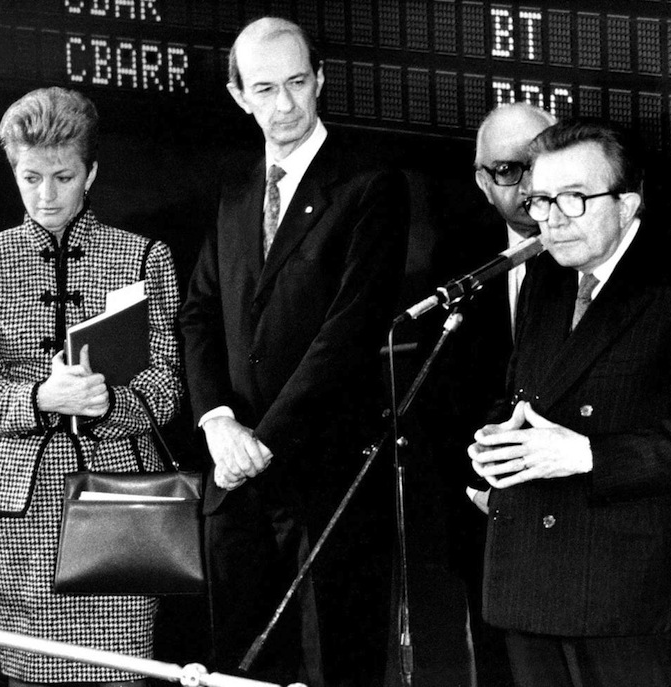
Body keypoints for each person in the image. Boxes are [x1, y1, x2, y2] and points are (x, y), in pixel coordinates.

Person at [467, 118, 671, 687]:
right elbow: (525, 393)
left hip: (621, 591)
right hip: (527, 575)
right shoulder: (545, 274)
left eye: (574, 198)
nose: (553, 219)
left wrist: (588, 455)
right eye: (541, 200)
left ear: (627, 204)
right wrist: (493, 442)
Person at [178, 17, 408, 687]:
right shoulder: (235, 191)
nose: (285, 105)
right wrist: (218, 423)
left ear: (321, 80)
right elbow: (199, 312)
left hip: (330, 484)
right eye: (265, 88)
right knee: (241, 671)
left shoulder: (371, 184)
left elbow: (347, 333)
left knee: (340, 665)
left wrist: (262, 442)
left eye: (298, 82)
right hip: (237, 482)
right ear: (238, 95)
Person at [0, 86, 183, 686]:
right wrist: (40, 398)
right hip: (19, 511)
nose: (46, 196)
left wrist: (107, 402)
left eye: (63, 177)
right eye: (30, 178)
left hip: (121, 501)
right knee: (31, 676)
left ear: (91, 173)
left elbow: (166, 385)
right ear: (13, 172)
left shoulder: (144, 256)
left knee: (121, 673)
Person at [432, 101, 556, 687]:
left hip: (581, 518)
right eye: (509, 170)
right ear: (483, 182)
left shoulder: (608, 257)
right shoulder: (456, 264)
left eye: (540, 161)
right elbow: (446, 401)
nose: (529, 184)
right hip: (486, 520)